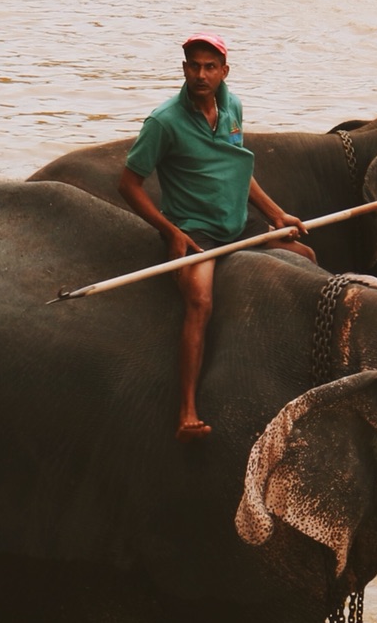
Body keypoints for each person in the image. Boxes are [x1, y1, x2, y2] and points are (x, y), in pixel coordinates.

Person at [117, 34, 314, 441]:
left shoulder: (233, 107)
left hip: (237, 224)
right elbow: (129, 184)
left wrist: (276, 214)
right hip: (196, 231)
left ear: (225, 71)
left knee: (306, 256)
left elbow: (238, 169)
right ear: (184, 69)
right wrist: (169, 231)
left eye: (210, 67)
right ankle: (187, 410)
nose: (201, 74)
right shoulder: (163, 122)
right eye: (194, 65)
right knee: (199, 300)